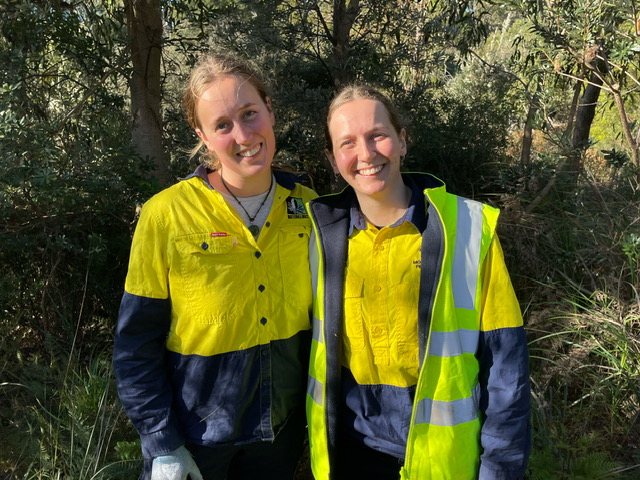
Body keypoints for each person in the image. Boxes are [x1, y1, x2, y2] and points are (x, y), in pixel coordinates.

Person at [305, 85, 531, 480]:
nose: (366, 154)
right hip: (351, 458)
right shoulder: (317, 238)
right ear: (331, 157)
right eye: (347, 143)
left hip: (444, 462)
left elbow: (506, 370)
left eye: (377, 135)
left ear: (402, 140)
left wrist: (502, 468)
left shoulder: (468, 228)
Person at [113, 52, 317, 480]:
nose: (243, 134)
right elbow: (136, 344)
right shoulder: (165, 215)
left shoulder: (311, 208)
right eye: (222, 125)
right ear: (202, 135)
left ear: (270, 111)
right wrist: (162, 442)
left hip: (279, 436)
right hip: (194, 440)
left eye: (250, 113)